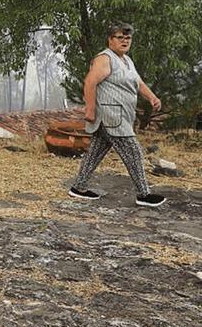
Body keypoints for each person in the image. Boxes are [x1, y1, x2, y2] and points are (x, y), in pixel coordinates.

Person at [69, 22, 167, 207]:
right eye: (120, 37)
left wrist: (152, 97)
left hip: (120, 116)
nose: (124, 41)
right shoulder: (105, 59)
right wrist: (90, 109)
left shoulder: (127, 60)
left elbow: (137, 82)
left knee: (95, 153)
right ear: (110, 40)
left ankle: (78, 188)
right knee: (134, 151)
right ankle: (143, 194)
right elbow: (90, 82)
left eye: (128, 38)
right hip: (111, 115)